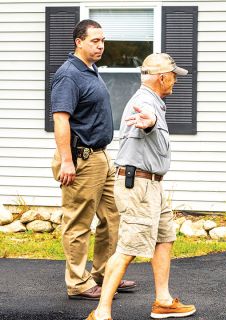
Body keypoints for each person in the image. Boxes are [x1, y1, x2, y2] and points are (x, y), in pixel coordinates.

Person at [86, 53, 196, 320]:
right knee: (129, 248)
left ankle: (163, 301)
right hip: (139, 186)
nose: (175, 81)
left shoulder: (154, 101)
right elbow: (146, 122)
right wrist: (152, 123)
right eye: (173, 76)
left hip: (152, 185)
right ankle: (101, 312)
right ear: (161, 77)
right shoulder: (145, 103)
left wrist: (153, 121)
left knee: (164, 237)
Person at [51, 19, 136, 300]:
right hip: (80, 159)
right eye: (94, 41)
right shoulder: (68, 75)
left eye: (102, 41)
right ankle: (78, 282)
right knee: (78, 223)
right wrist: (67, 161)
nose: (100, 46)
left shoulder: (90, 69)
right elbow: (61, 119)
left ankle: (104, 273)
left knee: (112, 217)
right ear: (79, 42)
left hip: (101, 157)